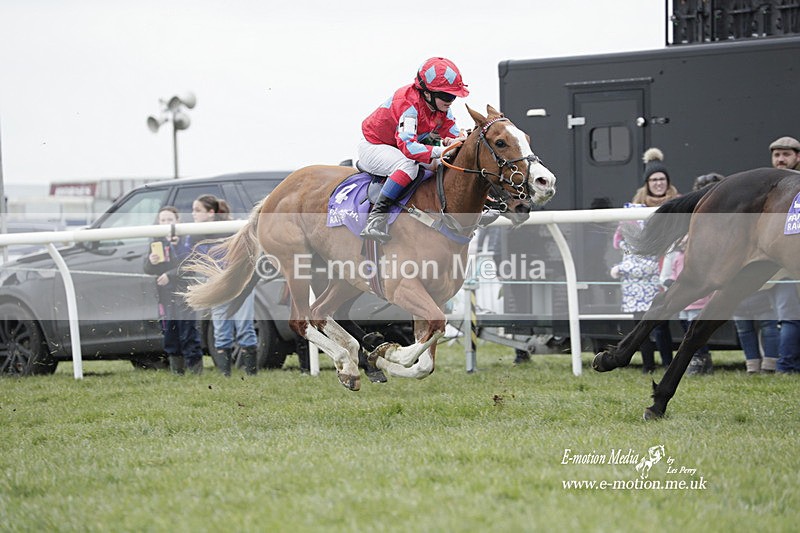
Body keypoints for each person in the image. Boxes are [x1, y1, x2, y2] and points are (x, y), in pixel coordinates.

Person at [359, 57, 469, 243]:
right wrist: (442, 148)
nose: (451, 101)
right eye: (447, 96)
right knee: (408, 166)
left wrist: (461, 139)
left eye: (454, 96)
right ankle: (376, 218)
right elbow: (409, 148)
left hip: (397, 146)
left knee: (446, 161)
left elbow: (453, 134)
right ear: (427, 93)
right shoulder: (408, 105)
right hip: (375, 146)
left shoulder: (440, 106)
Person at [192, 194, 259, 377]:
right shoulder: (194, 233)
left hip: (239, 280)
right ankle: (225, 374)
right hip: (216, 282)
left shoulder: (232, 228)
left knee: (244, 325)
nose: (193, 215)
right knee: (221, 327)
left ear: (211, 212)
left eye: (198, 210)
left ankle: (251, 373)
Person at [143, 206, 204, 374]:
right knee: (170, 332)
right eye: (162, 220)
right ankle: (177, 371)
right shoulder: (157, 242)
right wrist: (151, 262)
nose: (165, 223)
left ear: (178, 221)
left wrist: (170, 275)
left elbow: (189, 265)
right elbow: (147, 269)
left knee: (188, 332)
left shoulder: (186, 239)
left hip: (184, 293)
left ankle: (195, 370)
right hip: (165, 296)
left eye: (169, 219)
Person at [767, 137, 800, 372]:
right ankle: (785, 365)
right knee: (785, 317)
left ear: (797, 157)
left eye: (785, 154)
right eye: (777, 154)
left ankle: (785, 365)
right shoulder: (767, 186)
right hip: (778, 267)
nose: (780, 159)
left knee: (788, 317)